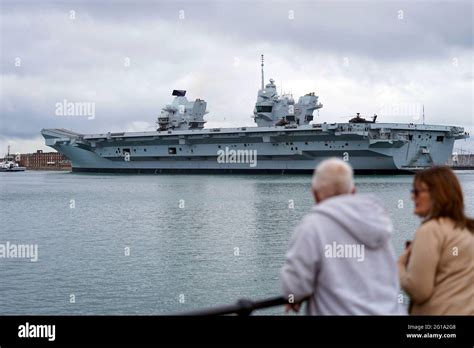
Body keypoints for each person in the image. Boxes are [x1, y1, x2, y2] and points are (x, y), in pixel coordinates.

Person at [280, 158, 404, 315]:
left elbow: (295, 287)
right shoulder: (377, 222)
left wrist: (294, 297)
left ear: (315, 194)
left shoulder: (313, 226)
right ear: (353, 191)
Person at [398, 166, 474, 315]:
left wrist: (399, 267)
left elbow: (419, 291)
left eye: (417, 191)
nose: (412, 197)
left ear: (437, 194)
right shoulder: (468, 230)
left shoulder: (430, 230)